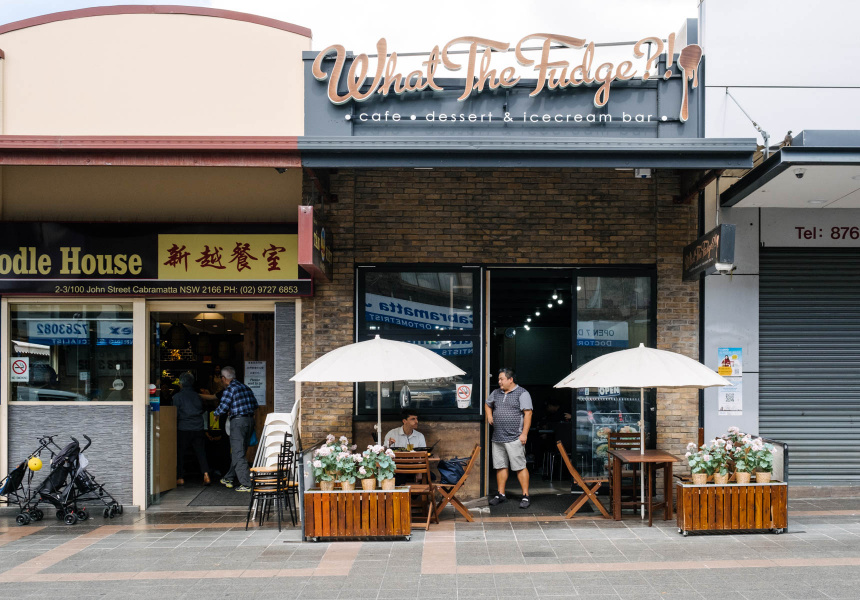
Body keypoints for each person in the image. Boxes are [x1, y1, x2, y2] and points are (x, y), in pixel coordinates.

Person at [486, 368, 533, 509]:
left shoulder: (522, 393)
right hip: (498, 437)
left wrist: (524, 434)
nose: (499, 382)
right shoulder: (496, 393)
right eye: (499, 379)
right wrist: (489, 415)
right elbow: (487, 404)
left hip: (514, 437)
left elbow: (528, 413)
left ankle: (525, 496)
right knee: (500, 466)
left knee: (520, 467)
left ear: (510, 379)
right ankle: (501, 494)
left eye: (501, 379)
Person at [212, 366, 257, 492]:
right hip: (249, 421)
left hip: (238, 422)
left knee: (238, 453)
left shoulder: (230, 389)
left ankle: (246, 484)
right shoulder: (246, 387)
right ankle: (229, 477)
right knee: (240, 451)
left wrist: (216, 413)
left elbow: (223, 407)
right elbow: (255, 405)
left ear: (223, 378)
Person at [173, 373, 211, 486]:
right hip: (198, 427)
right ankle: (206, 474)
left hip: (183, 427)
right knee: (201, 452)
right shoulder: (198, 396)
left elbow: (175, 413)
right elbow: (203, 409)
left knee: (180, 453)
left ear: (181, 383)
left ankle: (180, 477)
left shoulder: (177, 397)